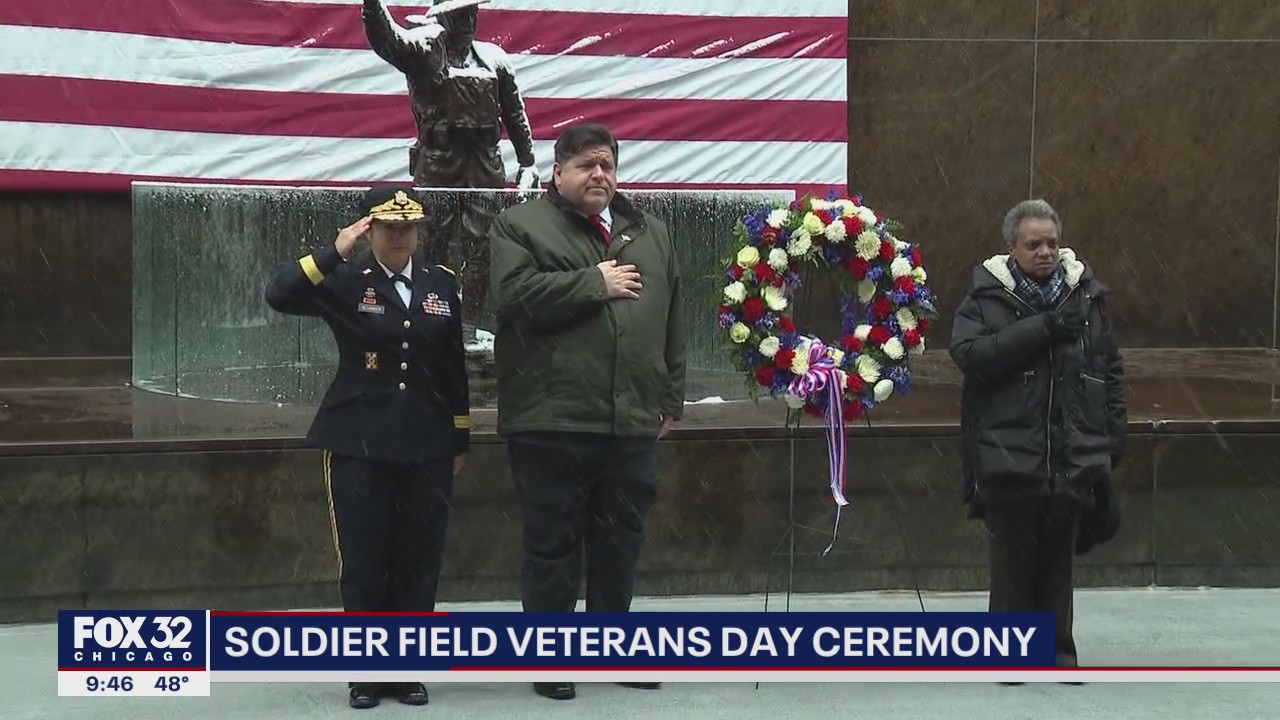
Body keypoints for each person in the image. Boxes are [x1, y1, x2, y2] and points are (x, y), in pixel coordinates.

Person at [487, 122, 686, 701]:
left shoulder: (650, 230)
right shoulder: (519, 225)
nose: (599, 174)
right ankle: (549, 657)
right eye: (585, 165)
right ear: (557, 172)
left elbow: (673, 319)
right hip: (552, 419)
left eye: (607, 164)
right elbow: (513, 298)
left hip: (631, 420)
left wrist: (669, 396)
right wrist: (592, 283)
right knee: (552, 543)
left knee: (619, 538)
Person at [263, 185, 470, 709]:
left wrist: (460, 435)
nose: (399, 236)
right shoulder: (345, 281)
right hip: (358, 438)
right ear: (368, 229)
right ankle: (367, 668)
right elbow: (280, 294)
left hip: (427, 441)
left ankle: (408, 668)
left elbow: (452, 366)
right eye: (387, 226)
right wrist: (335, 250)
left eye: (408, 227)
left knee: (419, 558)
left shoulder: (440, 284)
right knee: (365, 555)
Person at [950, 198, 1126, 675]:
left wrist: (1112, 439)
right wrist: (1041, 329)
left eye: (1051, 242)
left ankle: (1057, 656)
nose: (1045, 252)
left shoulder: (1086, 297)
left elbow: (1106, 369)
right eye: (1033, 244)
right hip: (1009, 455)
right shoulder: (986, 299)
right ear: (1011, 248)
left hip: (1069, 455)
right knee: (1011, 568)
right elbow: (971, 356)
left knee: (1058, 567)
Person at [361, 0, 540, 343]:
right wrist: (372, 6)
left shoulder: (495, 59)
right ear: (442, 17)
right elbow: (386, 37)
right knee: (432, 243)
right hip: (438, 163)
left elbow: (515, 113)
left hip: (485, 166)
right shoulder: (423, 49)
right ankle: (431, 315)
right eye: (461, 14)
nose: (469, 21)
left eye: (473, 13)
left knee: (483, 247)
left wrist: (528, 162)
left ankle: (468, 324)